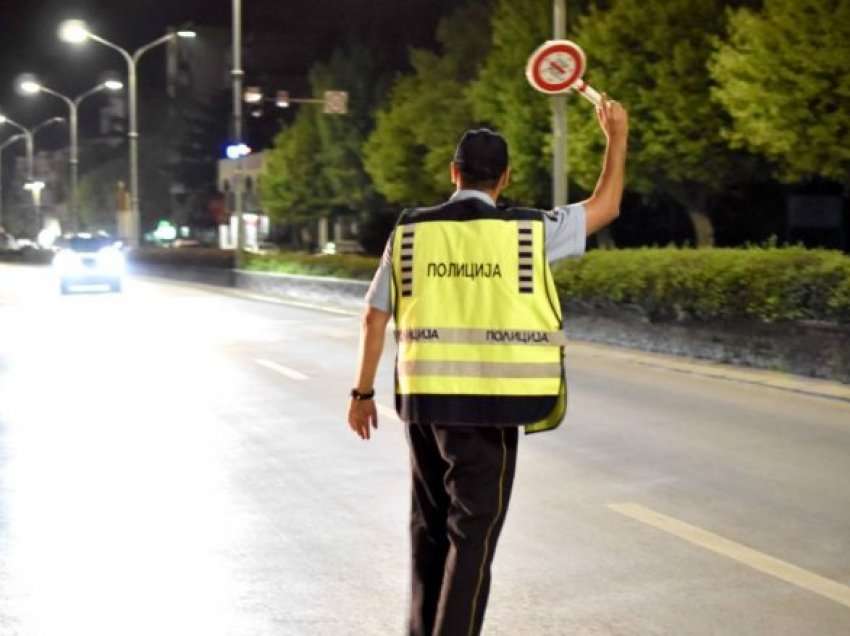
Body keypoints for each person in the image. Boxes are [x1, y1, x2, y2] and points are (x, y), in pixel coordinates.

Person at [348, 97, 628, 636]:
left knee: (428, 530)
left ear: (454, 174)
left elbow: (372, 317)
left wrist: (361, 395)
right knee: (471, 539)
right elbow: (605, 207)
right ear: (505, 178)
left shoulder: (409, 232)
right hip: (491, 409)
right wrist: (616, 137)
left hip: (424, 406)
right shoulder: (528, 231)